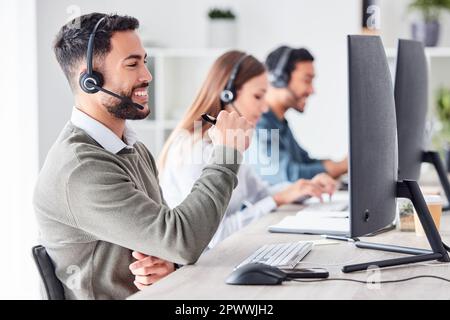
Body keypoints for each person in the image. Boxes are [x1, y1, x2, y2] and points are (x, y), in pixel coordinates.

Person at [33, 13, 253, 299]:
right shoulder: (81, 168)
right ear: (89, 80)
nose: (147, 76)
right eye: (132, 64)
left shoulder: (131, 148)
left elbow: (168, 242)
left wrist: (168, 264)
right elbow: (182, 239)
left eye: (144, 61)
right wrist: (227, 153)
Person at [156, 51, 336, 249]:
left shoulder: (230, 142)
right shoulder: (193, 149)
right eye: (258, 96)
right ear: (227, 94)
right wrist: (278, 199)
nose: (265, 108)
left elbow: (260, 194)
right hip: (200, 265)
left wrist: (303, 189)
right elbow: (215, 236)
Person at [250, 45, 348, 185]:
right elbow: (289, 175)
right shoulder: (261, 123)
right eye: (307, 80)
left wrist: (339, 163)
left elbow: (304, 161)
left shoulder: (279, 122)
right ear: (280, 78)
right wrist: (341, 166)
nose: (312, 90)